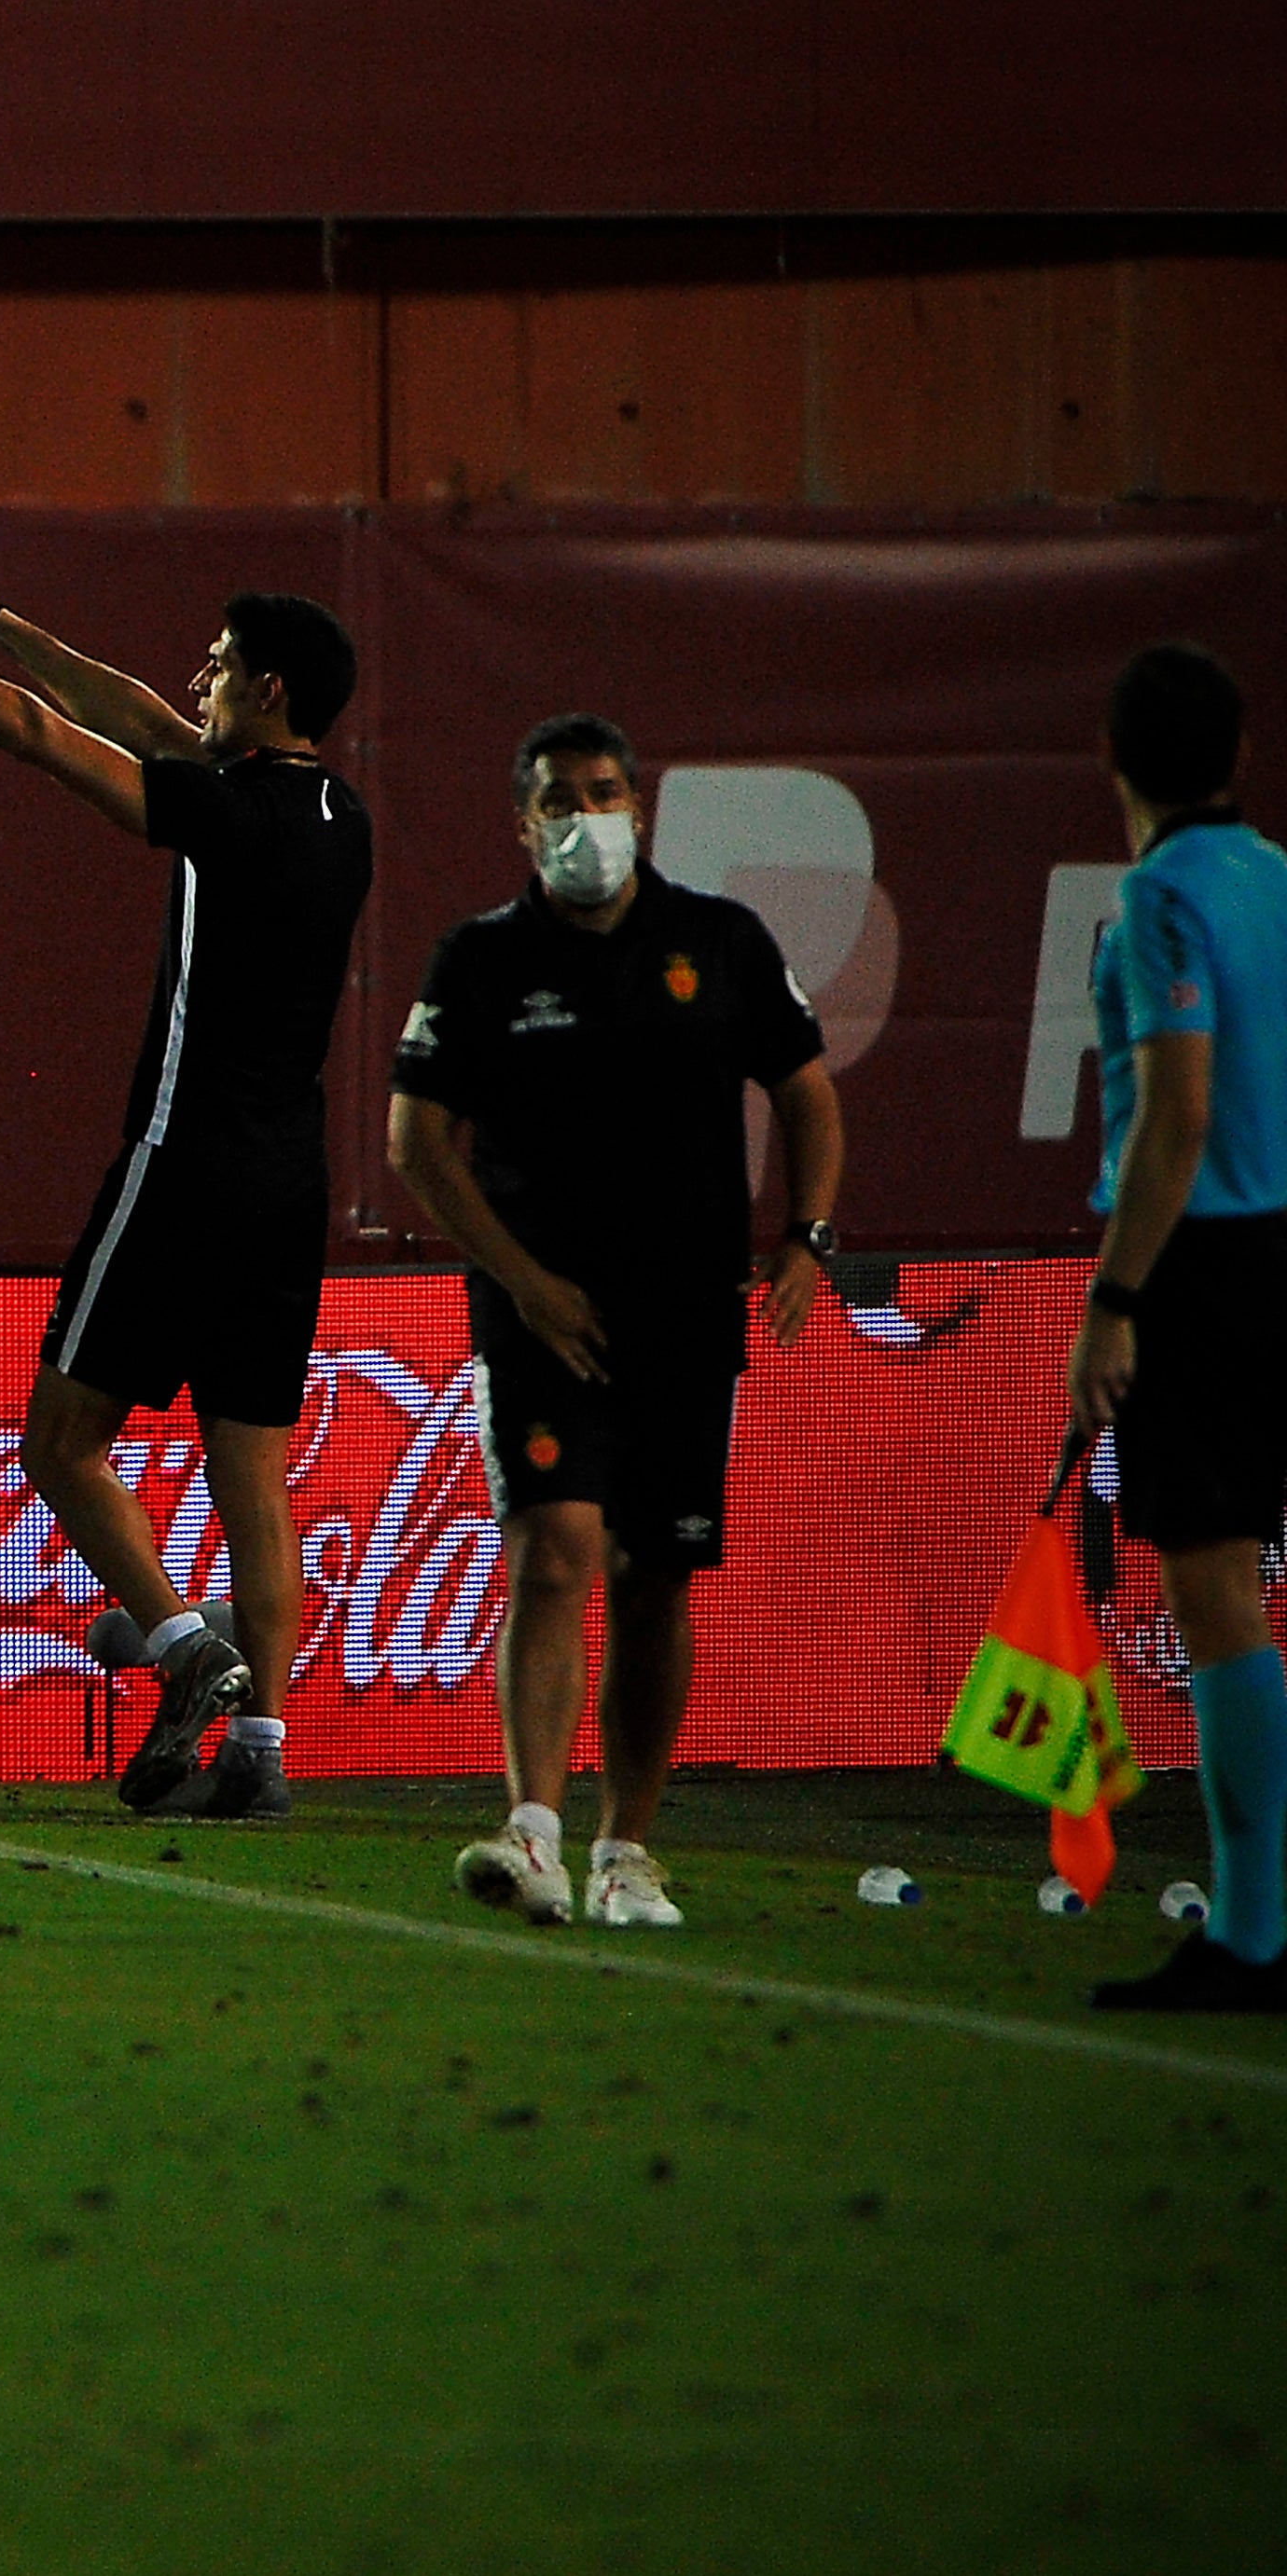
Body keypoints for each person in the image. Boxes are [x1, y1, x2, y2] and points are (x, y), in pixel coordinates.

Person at [0, 568, 368, 1819]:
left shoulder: (223, 817)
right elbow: (134, 717)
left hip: (186, 1166)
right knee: (253, 1475)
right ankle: (263, 1751)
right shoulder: (339, 814)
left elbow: (44, 737)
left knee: (60, 1443)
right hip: (291, 1185)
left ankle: (183, 1647)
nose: (198, 681)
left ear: (268, 688)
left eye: (220, 663)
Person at [389, 714, 843, 1923]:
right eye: (557, 799)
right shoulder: (479, 961)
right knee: (558, 1547)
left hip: (689, 1314)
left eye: (600, 793)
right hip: (544, 1318)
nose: (582, 816)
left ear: (637, 808)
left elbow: (806, 1093)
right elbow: (415, 1141)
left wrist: (808, 1238)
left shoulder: (720, 941)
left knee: (657, 1579)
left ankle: (626, 1849)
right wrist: (518, 1277)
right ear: (523, 821)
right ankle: (532, 1828)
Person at [1073, 645, 1287, 2014]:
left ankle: (1255, 1930)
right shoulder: (1277, 877)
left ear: (1116, 765)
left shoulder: (1160, 898)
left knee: (1215, 1589)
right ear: (1239, 759)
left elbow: (1178, 1111)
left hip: (1208, 1264)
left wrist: (1115, 1298)